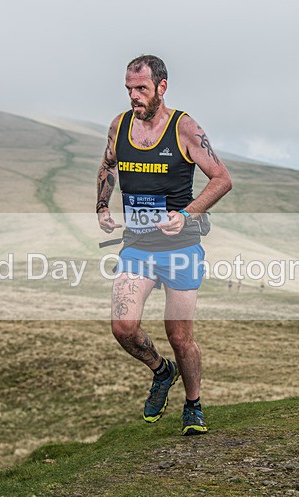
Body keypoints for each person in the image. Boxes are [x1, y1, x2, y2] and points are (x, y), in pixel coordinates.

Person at [96, 55, 232, 435]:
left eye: (141, 89)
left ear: (162, 87)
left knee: (180, 336)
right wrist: (102, 205)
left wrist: (186, 214)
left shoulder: (183, 127)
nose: (134, 97)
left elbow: (222, 178)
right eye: (128, 89)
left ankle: (193, 405)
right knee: (123, 327)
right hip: (138, 246)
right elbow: (108, 165)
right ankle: (161, 371)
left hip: (181, 248)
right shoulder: (119, 126)